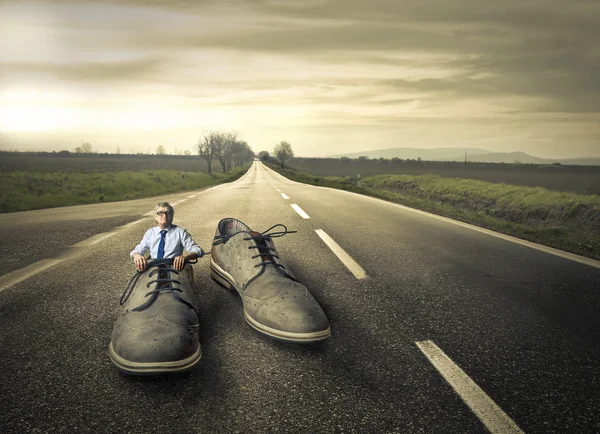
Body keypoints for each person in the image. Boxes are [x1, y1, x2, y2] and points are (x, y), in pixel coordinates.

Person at [131, 202, 204, 272]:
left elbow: (198, 250)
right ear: (155, 217)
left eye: (167, 213)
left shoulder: (180, 232)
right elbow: (138, 250)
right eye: (160, 213)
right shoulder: (150, 232)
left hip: (173, 267)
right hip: (154, 267)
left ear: (172, 216)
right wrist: (136, 255)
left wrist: (185, 257)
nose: (164, 216)